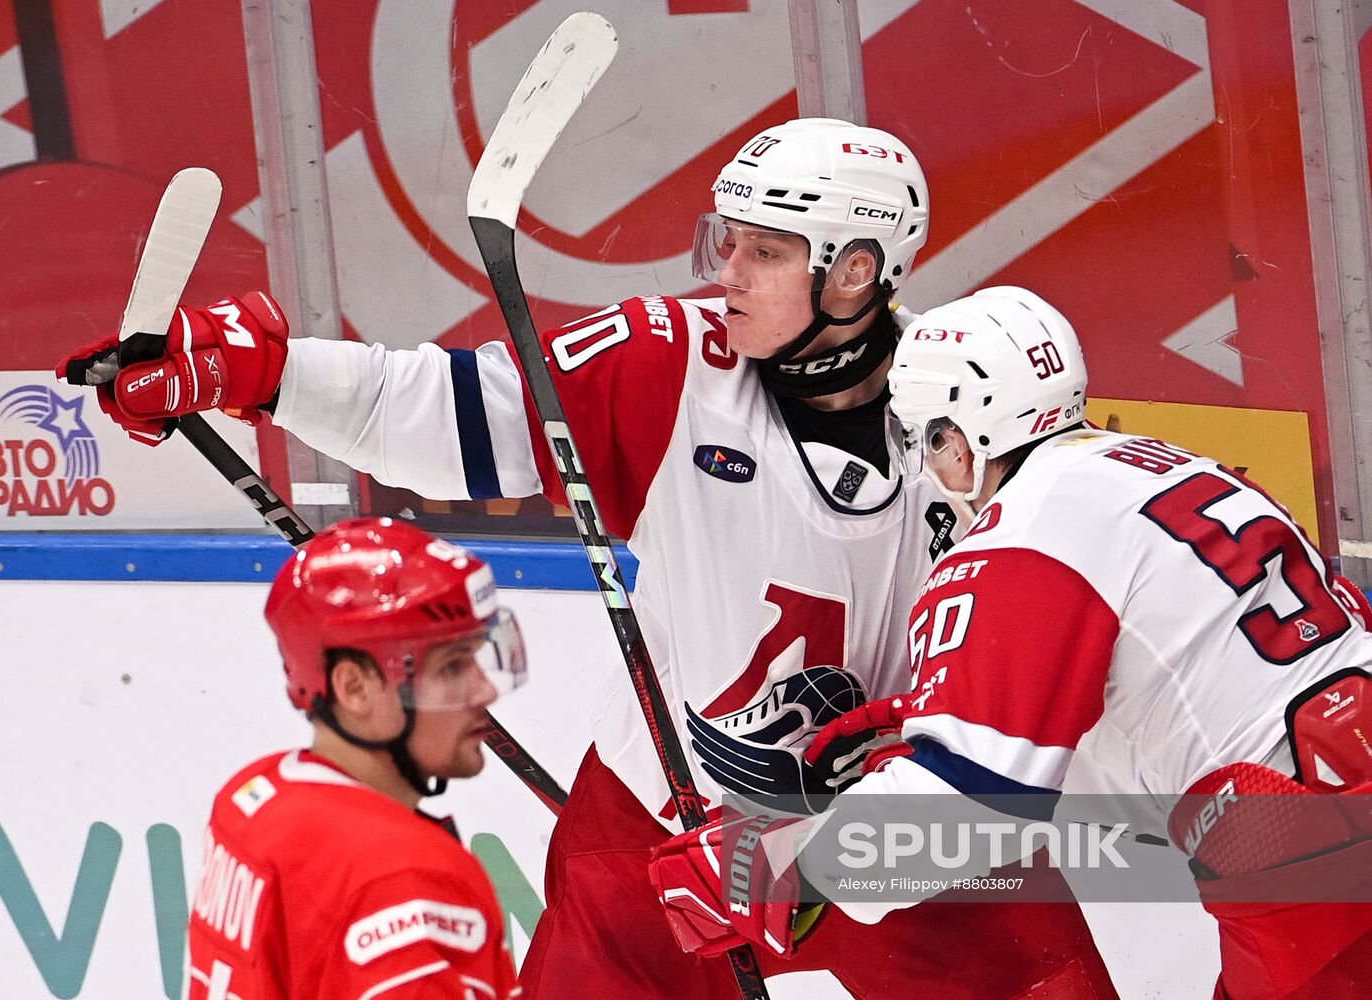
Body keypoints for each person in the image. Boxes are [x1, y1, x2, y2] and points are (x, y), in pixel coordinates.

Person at [61, 120, 1116, 998]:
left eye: (762, 251)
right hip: (672, 812)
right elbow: (450, 409)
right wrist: (260, 371)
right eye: (724, 239)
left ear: (852, 271)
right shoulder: (668, 358)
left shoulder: (971, 398)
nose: (724, 273)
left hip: (894, 824)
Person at [651, 285, 1372, 999]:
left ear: (957, 443)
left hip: (1312, 858)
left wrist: (775, 866)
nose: (924, 471)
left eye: (918, 440)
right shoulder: (1169, 469)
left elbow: (974, 803)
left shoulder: (1020, 541)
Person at [184, 517, 525, 1000]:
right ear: (354, 687)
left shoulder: (250, 799)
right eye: (452, 666)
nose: (484, 689)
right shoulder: (400, 875)